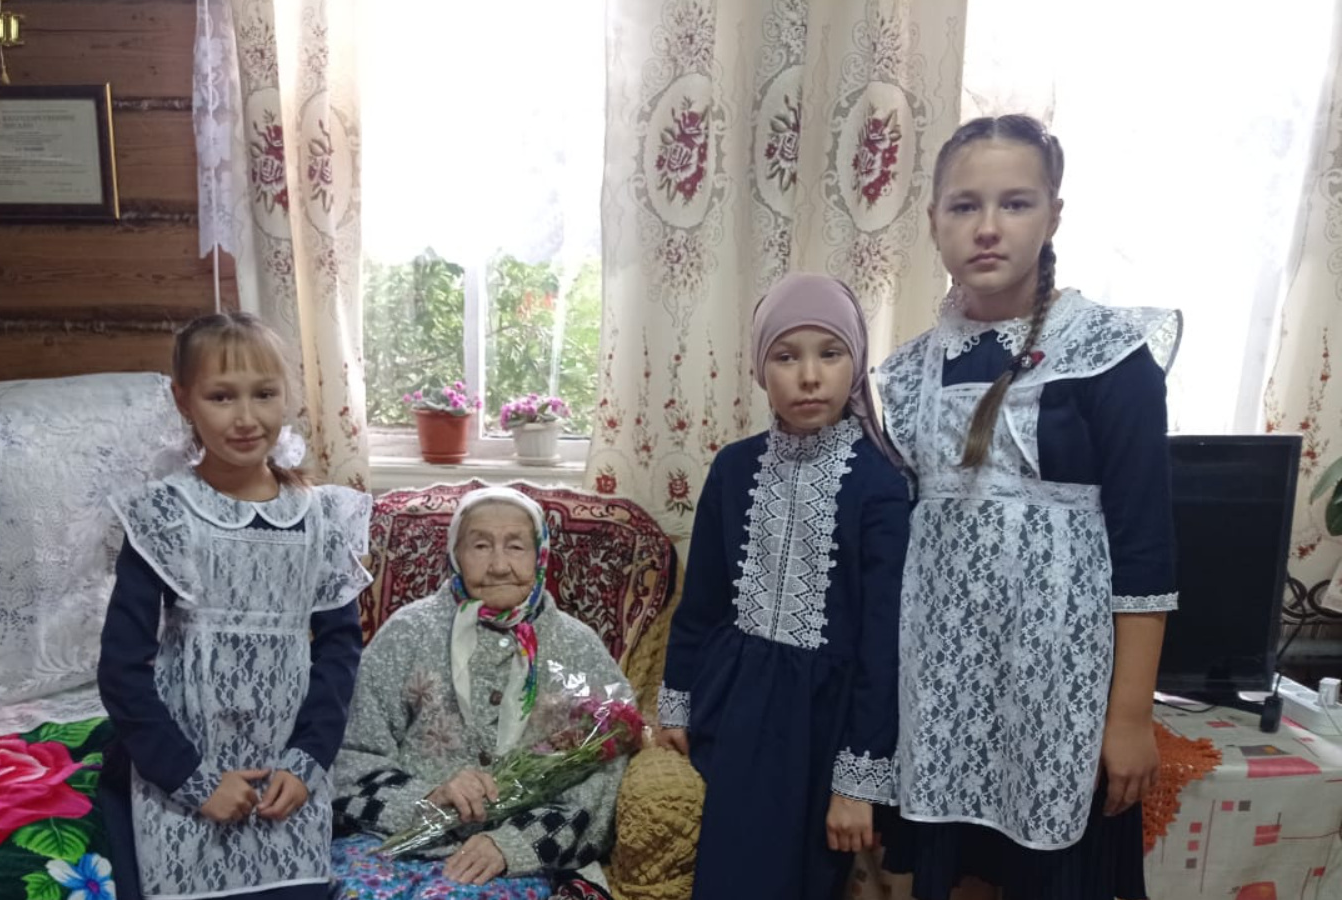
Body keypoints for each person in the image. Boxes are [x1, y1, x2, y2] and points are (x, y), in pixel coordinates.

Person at [875, 114, 1181, 900]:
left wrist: (1128, 718)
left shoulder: (1109, 356)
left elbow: (1144, 553)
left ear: (1053, 216)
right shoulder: (904, 376)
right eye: (963, 205)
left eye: (1015, 203)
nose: (987, 227)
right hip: (942, 696)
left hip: (1060, 700)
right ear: (933, 221)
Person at [96, 312, 373, 900]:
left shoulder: (322, 518)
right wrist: (191, 780)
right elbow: (121, 669)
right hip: (182, 777)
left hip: (287, 779)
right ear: (184, 401)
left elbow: (340, 651)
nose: (246, 418)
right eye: (222, 397)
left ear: (286, 396)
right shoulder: (163, 516)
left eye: (264, 394)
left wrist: (307, 761)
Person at [655, 273, 912, 898]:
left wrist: (857, 779)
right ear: (759, 369)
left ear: (856, 363)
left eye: (830, 353)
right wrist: (676, 701)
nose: (810, 376)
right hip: (737, 707)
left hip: (826, 722)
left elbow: (884, 645)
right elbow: (702, 602)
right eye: (786, 356)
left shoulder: (881, 484)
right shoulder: (733, 467)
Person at [331, 486, 629, 900]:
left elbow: (603, 778)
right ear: (455, 553)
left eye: (516, 546)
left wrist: (511, 845)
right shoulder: (408, 631)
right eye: (481, 546)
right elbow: (351, 755)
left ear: (540, 555)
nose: (499, 565)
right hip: (396, 839)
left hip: (512, 860)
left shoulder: (577, 646)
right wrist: (426, 800)